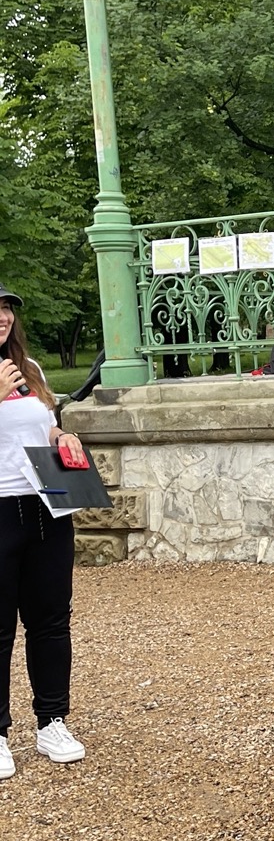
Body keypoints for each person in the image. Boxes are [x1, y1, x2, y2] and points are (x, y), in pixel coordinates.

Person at [0, 281, 88, 781]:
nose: (2, 317)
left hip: (48, 503)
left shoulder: (28, 368)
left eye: (6, 308)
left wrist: (61, 434)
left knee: (51, 621)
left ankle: (52, 721)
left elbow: (43, 426)